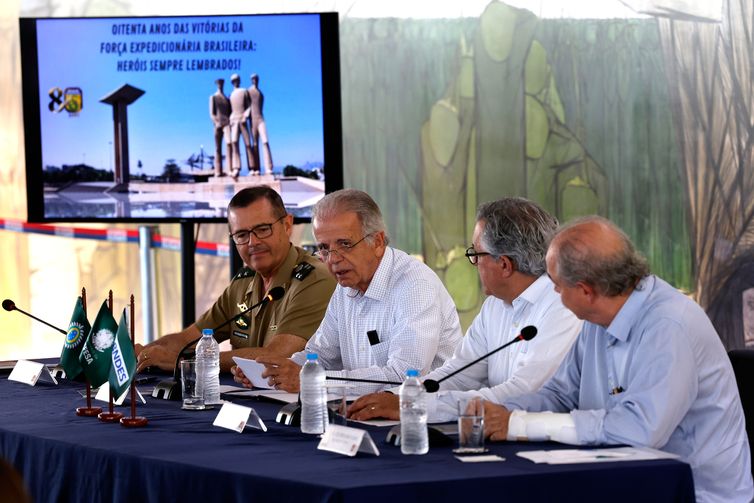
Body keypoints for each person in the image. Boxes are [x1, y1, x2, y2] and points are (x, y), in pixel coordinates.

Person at [483, 216, 753, 503]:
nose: (555, 293)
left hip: (696, 494)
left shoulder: (670, 325)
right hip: (624, 478)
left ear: (586, 291)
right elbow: (560, 394)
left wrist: (521, 424)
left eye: (557, 285)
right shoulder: (596, 318)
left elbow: (639, 430)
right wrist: (498, 414)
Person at [347, 198, 581, 421]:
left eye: (476, 255)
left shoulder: (562, 305)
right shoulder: (495, 306)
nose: (475, 265)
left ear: (504, 264)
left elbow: (523, 393)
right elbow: (459, 372)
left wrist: (416, 406)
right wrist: (400, 396)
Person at [234, 189, 463, 394]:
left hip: (424, 420)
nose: (333, 259)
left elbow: (403, 376)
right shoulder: (347, 286)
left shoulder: (415, 286)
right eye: (324, 248)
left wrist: (312, 380)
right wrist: (272, 373)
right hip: (363, 413)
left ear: (378, 241)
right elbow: (320, 356)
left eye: (345, 244)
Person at [135, 186, 336, 373]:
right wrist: (145, 353)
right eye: (241, 235)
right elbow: (189, 338)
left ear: (287, 225)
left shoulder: (314, 278)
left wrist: (183, 362)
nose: (253, 242)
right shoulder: (243, 281)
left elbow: (275, 356)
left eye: (263, 229)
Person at [228, 73, 253, 180]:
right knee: (234, 142)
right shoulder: (231, 95)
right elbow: (230, 110)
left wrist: (246, 115)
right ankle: (236, 168)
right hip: (234, 120)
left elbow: (249, 105)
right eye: (233, 80)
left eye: (237, 80)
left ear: (239, 81)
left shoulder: (244, 91)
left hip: (242, 119)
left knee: (247, 143)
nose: (235, 82)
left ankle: (252, 167)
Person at [248, 73, 273, 176]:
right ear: (251, 80)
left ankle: (269, 167)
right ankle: (256, 168)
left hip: (260, 119)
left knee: (265, 141)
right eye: (253, 79)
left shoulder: (261, 94)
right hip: (252, 120)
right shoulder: (248, 91)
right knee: (254, 144)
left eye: (256, 78)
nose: (255, 80)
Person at [208, 78, 231, 177]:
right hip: (217, 124)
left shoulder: (227, 99)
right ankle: (218, 171)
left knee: (229, 144)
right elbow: (212, 113)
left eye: (221, 83)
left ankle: (229, 169)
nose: (220, 85)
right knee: (218, 148)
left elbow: (230, 112)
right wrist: (216, 122)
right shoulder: (213, 97)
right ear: (216, 85)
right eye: (218, 83)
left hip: (227, 123)